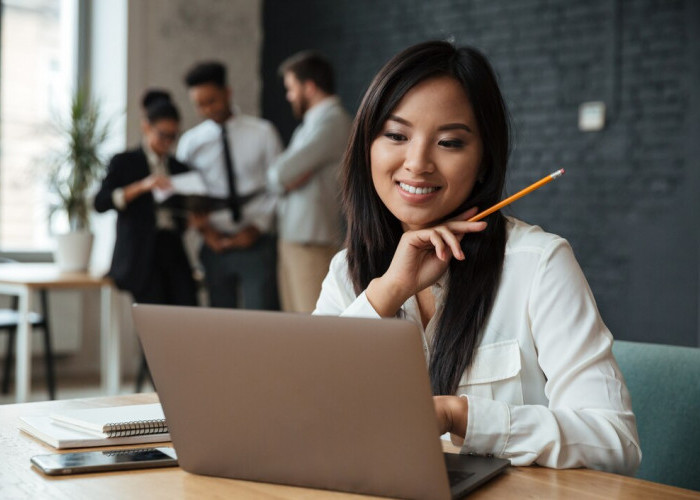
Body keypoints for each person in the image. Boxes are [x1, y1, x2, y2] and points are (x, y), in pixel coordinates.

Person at [313, 41, 641, 474]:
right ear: (367, 146)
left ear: (484, 160)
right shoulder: (347, 271)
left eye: (449, 142)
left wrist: (459, 416)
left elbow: (615, 443)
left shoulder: (538, 264)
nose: (417, 163)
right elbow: (311, 409)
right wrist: (389, 290)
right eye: (396, 135)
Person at [94, 92, 198, 389]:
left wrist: (193, 214)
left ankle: (185, 385)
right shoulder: (125, 162)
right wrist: (142, 187)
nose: (167, 142)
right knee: (155, 327)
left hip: (172, 250)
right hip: (140, 255)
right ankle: (164, 392)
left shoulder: (179, 167)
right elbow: (100, 203)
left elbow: (187, 213)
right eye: (162, 135)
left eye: (173, 136)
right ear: (146, 127)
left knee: (187, 316)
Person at [177, 61, 283, 310]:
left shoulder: (263, 132)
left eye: (211, 100)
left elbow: (278, 186)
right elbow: (185, 195)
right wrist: (207, 233)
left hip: (257, 242)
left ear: (227, 93)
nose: (205, 109)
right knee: (219, 324)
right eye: (199, 104)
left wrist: (258, 228)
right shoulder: (191, 143)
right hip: (214, 245)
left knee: (261, 320)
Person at [267, 51, 352, 312]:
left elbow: (279, 173)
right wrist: (288, 176)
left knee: (310, 325)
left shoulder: (333, 121)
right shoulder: (310, 124)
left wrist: (287, 176)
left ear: (310, 87)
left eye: (291, 89)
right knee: (295, 324)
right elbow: (281, 175)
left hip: (312, 240)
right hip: (296, 237)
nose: (289, 96)